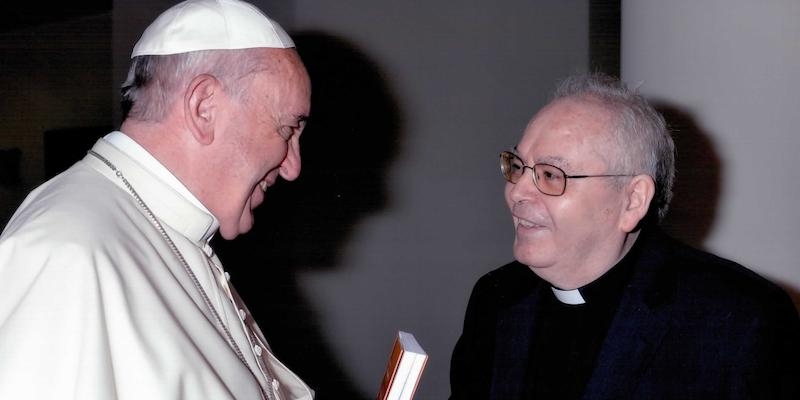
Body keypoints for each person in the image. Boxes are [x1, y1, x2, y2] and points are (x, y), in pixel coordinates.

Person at [0, 0, 313, 398]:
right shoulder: (65, 250)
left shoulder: (175, 232)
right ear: (205, 108)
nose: (292, 167)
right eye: (288, 129)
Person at [449, 73, 800, 399]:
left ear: (632, 200)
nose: (517, 192)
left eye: (550, 175)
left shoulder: (739, 320)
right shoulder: (497, 297)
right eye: (518, 166)